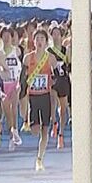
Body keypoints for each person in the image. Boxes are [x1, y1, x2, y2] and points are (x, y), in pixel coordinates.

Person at [23, 29, 57, 172]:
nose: (39, 41)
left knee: (45, 129)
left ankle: (39, 159)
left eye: (42, 38)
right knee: (35, 130)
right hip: (33, 97)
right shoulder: (27, 58)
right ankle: (30, 123)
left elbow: (57, 76)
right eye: (37, 38)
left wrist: (54, 80)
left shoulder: (51, 58)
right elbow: (23, 79)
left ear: (46, 42)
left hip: (45, 96)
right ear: (34, 41)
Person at [48, 23, 71, 150]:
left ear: (62, 36)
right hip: (53, 80)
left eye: (58, 34)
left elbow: (69, 65)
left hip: (64, 80)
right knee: (52, 102)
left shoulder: (66, 50)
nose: (56, 36)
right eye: (54, 34)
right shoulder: (49, 51)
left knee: (63, 108)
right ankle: (54, 122)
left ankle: (61, 134)